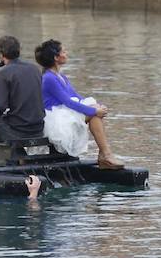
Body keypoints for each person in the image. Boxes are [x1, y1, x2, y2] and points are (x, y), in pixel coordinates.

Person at [34, 39, 124, 169]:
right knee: (93, 115)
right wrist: (93, 111)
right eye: (63, 51)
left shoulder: (61, 76)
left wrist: (97, 106)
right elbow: (68, 101)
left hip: (63, 112)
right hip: (54, 118)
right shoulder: (49, 78)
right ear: (56, 57)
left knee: (93, 110)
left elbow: (76, 97)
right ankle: (105, 155)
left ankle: (105, 154)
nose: (67, 53)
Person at [0, 35, 45, 143]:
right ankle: (11, 155)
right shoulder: (34, 69)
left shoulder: (3, 74)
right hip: (38, 127)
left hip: (19, 130)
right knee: (0, 119)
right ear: (19, 50)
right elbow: (26, 96)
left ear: (1, 54)